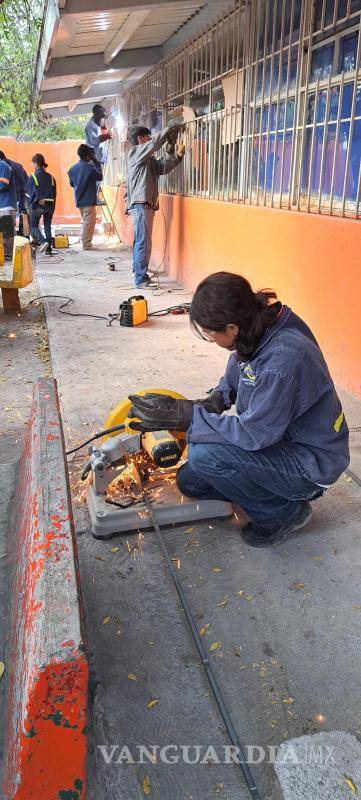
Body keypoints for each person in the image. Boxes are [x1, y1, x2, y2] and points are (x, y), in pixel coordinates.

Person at [128, 271, 350, 548]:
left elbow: (253, 434)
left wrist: (188, 417)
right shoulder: (259, 326)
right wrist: (216, 400)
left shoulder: (282, 361)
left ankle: (283, 513)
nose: (212, 339)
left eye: (211, 334)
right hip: (281, 440)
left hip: (308, 464)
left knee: (204, 454)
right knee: (191, 484)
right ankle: (262, 490)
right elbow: (241, 367)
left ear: (232, 328)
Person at [126, 124, 185, 289]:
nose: (150, 140)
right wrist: (167, 132)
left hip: (144, 205)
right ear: (140, 139)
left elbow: (162, 168)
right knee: (143, 242)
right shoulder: (135, 152)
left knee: (141, 241)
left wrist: (173, 153)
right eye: (147, 137)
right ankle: (140, 278)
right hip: (140, 205)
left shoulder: (146, 161)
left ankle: (138, 272)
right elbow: (153, 145)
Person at [68, 144, 103, 250]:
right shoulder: (90, 168)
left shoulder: (72, 169)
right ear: (88, 155)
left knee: (85, 221)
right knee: (89, 223)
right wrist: (96, 162)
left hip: (79, 199)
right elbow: (99, 177)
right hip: (88, 200)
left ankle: (85, 241)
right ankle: (86, 244)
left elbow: (71, 184)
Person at [26, 154, 56, 255]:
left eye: (32, 163)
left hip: (38, 205)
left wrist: (31, 206)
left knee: (33, 225)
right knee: (47, 226)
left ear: (35, 164)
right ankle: (49, 250)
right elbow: (54, 194)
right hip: (50, 205)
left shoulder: (33, 176)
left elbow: (29, 193)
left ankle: (43, 242)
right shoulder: (51, 178)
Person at [0, 151, 28, 236]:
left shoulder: (5, 166)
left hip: (16, 199)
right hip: (11, 200)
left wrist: (21, 206)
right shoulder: (9, 165)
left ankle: (32, 240)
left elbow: (21, 187)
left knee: (8, 234)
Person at [0, 152, 17, 260]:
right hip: (3, 204)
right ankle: (6, 253)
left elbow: (3, 184)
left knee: (7, 231)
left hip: (6, 205)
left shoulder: (3, 166)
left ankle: (9, 254)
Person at [85, 104, 113, 169]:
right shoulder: (90, 126)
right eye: (101, 116)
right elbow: (94, 141)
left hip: (102, 158)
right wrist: (106, 136)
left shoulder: (98, 124)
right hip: (95, 160)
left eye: (103, 117)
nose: (102, 119)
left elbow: (104, 124)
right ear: (95, 114)